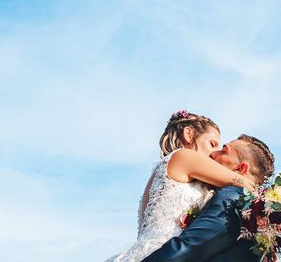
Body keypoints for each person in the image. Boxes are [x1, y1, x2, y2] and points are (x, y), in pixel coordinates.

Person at [105, 111, 257, 262]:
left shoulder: (165, 171)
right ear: (189, 134)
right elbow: (241, 182)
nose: (213, 153)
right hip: (165, 255)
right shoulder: (184, 156)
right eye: (212, 144)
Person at [140, 135, 276, 262]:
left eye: (223, 151)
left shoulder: (233, 197)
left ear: (241, 168)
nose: (212, 154)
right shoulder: (257, 222)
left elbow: (190, 247)